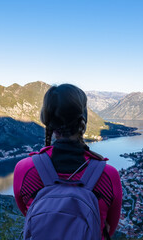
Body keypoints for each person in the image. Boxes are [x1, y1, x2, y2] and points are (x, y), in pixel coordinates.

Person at [13, 84, 122, 239]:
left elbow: (27, 213)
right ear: (83, 122)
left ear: (47, 121)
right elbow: (108, 229)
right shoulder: (107, 175)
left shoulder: (25, 169)